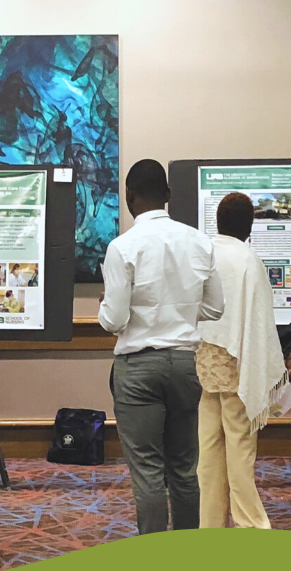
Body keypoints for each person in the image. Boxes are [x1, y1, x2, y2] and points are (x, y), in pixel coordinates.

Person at [99, 159, 224, 534]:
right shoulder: (200, 242)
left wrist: (108, 306)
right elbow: (215, 308)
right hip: (186, 364)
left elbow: (114, 320)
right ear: (168, 195)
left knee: (148, 470)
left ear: (129, 196)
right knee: (185, 468)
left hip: (138, 369)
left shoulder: (122, 247)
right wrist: (178, 310)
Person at [196, 193, 287, 529]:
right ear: (249, 226)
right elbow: (260, 324)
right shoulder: (248, 260)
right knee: (240, 450)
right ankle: (251, 526)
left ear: (217, 221)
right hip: (238, 366)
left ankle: (211, 525)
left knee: (208, 450)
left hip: (204, 361)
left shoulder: (203, 253)